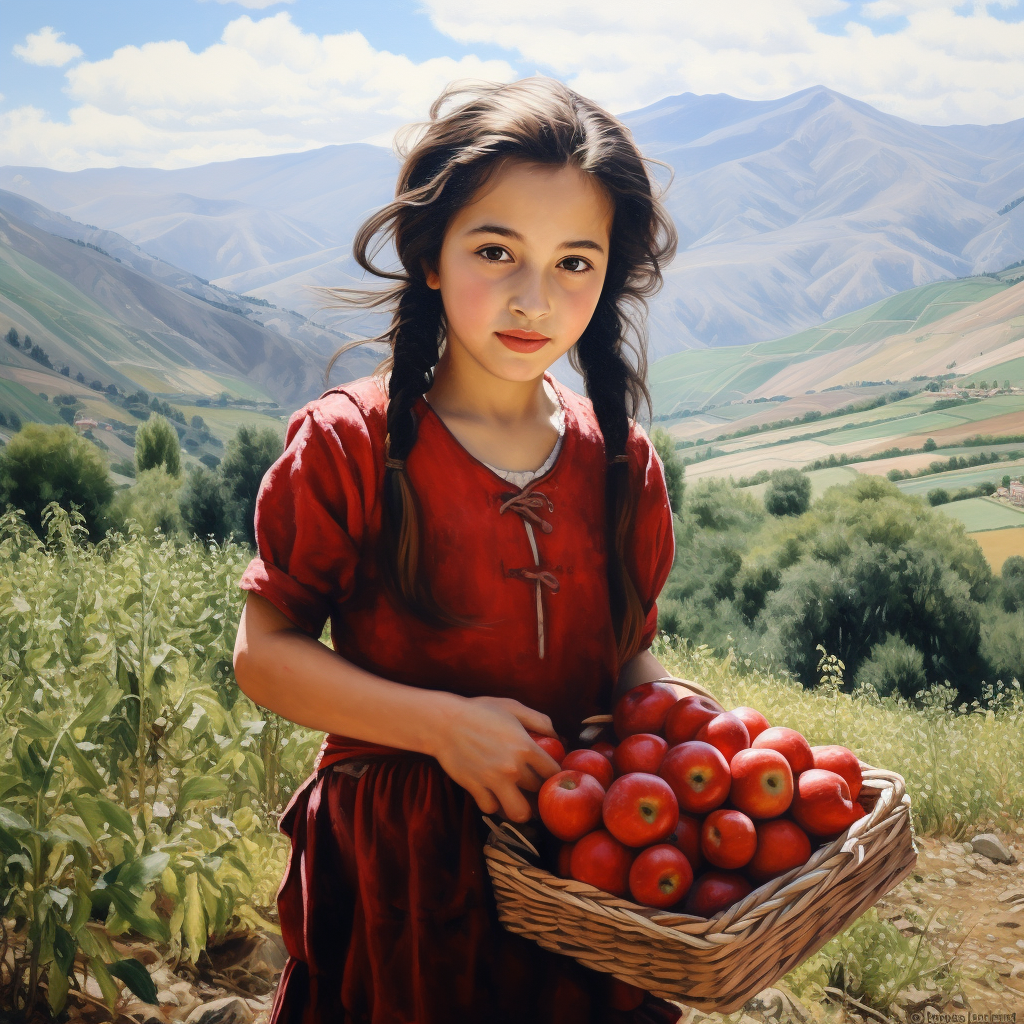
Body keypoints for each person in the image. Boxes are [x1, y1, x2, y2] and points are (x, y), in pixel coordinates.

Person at [233, 76, 694, 1024]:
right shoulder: (349, 446)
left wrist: (678, 718)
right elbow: (264, 657)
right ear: (431, 257)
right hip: (402, 874)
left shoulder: (622, 465)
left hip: (581, 867)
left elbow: (627, 654)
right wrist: (443, 727)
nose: (535, 299)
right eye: (497, 251)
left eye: (575, 262)